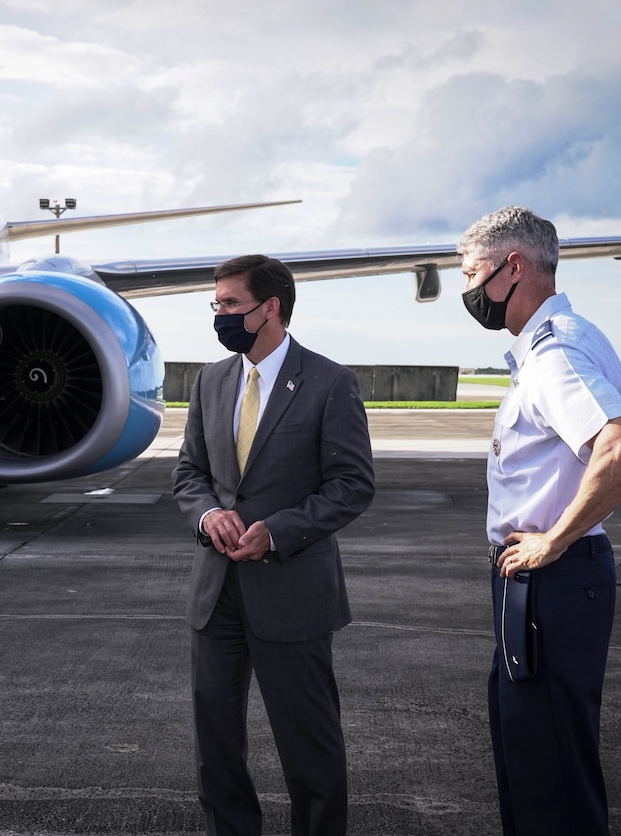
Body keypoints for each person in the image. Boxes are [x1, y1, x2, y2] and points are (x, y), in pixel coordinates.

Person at [457, 206, 621, 835]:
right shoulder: (563, 338)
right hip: (542, 584)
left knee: (549, 779)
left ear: (514, 267)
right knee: (533, 761)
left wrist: (553, 540)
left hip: (552, 581)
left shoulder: (554, 351)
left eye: (472, 274)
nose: (468, 292)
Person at [172, 254, 375, 836]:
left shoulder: (330, 382)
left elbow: (352, 484)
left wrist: (278, 532)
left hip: (292, 593)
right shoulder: (210, 380)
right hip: (217, 594)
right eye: (217, 304)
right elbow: (190, 473)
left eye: (231, 304)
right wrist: (210, 514)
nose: (221, 315)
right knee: (216, 749)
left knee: (309, 748)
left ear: (271, 308)